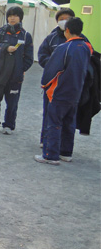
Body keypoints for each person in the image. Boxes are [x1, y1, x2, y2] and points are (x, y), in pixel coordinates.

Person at [35, 17, 93, 165]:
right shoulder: (86, 47)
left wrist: (45, 86)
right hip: (76, 92)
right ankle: (66, 153)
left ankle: (50, 155)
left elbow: (52, 70)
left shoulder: (64, 48)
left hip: (60, 92)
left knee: (53, 122)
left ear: (67, 30)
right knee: (69, 123)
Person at [0, 6, 33, 134]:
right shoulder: (1, 32)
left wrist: (20, 69)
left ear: (20, 18)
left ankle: (9, 125)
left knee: (12, 102)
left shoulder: (26, 35)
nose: (12, 18)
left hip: (15, 76)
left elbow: (29, 57)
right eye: (10, 15)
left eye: (15, 15)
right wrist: (6, 48)